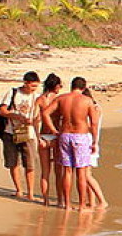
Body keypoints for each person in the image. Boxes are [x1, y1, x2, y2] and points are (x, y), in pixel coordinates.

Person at [42, 77, 99, 212]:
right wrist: (95, 141)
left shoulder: (62, 99)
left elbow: (45, 113)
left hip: (65, 135)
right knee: (81, 172)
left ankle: (67, 204)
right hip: (81, 136)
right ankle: (81, 205)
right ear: (84, 88)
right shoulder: (87, 101)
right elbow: (94, 123)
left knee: (67, 171)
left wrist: (54, 130)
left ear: (71, 86)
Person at [0, 71, 41, 200]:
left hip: (29, 133)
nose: (34, 89)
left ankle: (31, 192)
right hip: (11, 131)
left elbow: (39, 114)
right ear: (26, 83)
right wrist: (16, 116)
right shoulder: (13, 93)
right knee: (13, 162)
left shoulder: (36, 97)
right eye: (32, 86)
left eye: (36, 86)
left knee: (30, 163)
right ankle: (19, 190)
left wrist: (34, 121)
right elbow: (2, 110)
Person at [35, 73, 63, 207]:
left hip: (43, 135)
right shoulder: (59, 100)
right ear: (56, 86)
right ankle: (60, 200)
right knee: (59, 172)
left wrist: (36, 137)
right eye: (60, 85)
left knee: (45, 171)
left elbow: (35, 121)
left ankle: (45, 200)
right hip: (56, 135)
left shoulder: (40, 100)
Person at [82, 88, 108, 209]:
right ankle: (92, 202)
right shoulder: (96, 107)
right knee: (87, 174)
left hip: (89, 142)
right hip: (91, 141)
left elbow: (93, 125)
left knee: (86, 175)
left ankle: (102, 200)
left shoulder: (94, 108)